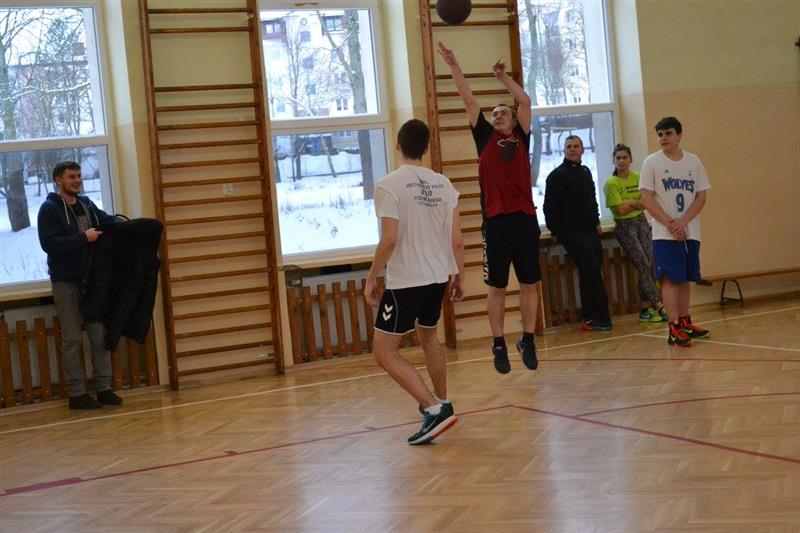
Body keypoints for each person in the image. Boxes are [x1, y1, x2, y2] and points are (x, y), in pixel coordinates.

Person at [436, 42, 541, 375]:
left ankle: (527, 339)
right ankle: (498, 343)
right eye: (494, 114)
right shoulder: (483, 137)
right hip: (496, 223)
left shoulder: (523, 135)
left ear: (513, 118)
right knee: (497, 287)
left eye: (502, 113)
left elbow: (525, 101)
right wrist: (454, 65)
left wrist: (502, 77)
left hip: (525, 219)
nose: (497, 116)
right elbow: (469, 99)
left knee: (529, 284)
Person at [364, 119, 465, 445]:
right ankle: (443, 401)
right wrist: (459, 275)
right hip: (437, 277)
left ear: (397, 146)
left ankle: (433, 408)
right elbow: (457, 240)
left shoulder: (388, 185)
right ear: (426, 148)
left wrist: (371, 277)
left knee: (384, 353)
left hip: (406, 281)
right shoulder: (444, 184)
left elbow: (389, 240)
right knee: (428, 336)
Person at [37, 161, 124, 409]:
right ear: (58, 180)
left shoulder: (86, 204)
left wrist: (130, 226)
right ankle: (77, 394)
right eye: (71, 177)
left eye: (78, 176)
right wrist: (83, 238)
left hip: (92, 281)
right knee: (73, 339)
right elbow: (50, 244)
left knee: (98, 336)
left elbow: (106, 221)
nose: (77, 180)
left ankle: (103, 388)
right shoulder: (49, 209)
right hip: (65, 283)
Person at [639, 116, 710, 347]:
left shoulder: (694, 162)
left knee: (685, 277)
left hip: (690, 231)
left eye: (668, 133)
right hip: (665, 233)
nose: (663, 138)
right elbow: (646, 199)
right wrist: (671, 223)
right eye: (660, 134)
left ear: (679, 135)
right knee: (670, 278)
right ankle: (674, 327)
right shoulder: (652, 162)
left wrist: (683, 222)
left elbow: (701, 197)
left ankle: (685, 322)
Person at [544, 136, 613, 331]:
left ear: (583, 149)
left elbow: (591, 200)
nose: (572, 149)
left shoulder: (585, 171)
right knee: (590, 268)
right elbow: (549, 207)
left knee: (592, 269)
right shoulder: (556, 176)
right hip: (570, 231)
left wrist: (596, 222)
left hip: (589, 229)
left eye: (576, 146)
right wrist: (555, 230)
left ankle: (591, 316)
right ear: (564, 150)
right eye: (569, 147)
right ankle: (600, 317)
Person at [603, 143, 667, 322]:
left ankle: (645, 309)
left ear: (630, 159)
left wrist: (630, 202)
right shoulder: (611, 183)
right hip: (625, 226)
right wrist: (636, 203)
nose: (621, 161)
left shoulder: (639, 177)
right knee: (642, 264)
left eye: (625, 157)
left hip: (641, 222)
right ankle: (658, 304)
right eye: (618, 158)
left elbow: (647, 202)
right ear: (614, 160)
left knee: (648, 263)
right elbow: (620, 210)